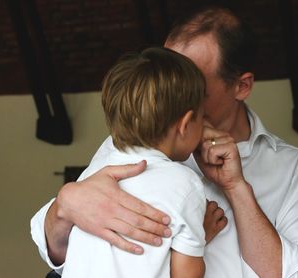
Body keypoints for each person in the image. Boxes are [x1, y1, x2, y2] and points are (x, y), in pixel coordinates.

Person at [31, 6, 298, 278]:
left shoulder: (291, 169)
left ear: (242, 86)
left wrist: (236, 187)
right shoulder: (126, 145)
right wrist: (64, 207)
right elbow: (57, 255)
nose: (167, 98)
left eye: (192, 88)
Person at [60, 46, 207, 277]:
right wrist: (200, 237)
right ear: (185, 124)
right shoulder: (185, 183)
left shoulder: (94, 175)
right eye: (202, 116)